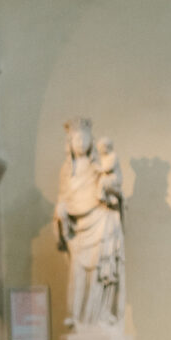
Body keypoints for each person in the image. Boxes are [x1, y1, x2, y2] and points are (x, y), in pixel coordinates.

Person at [54, 118, 125, 328]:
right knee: (78, 274)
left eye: (84, 138)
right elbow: (63, 198)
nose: (80, 143)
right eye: (76, 139)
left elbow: (114, 192)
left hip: (100, 223)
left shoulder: (98, 168)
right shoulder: (67, 172)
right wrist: (61, 211)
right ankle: (76, 317)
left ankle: (100, 316)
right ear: (70, 143)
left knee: (99, 273)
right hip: (78, 231)